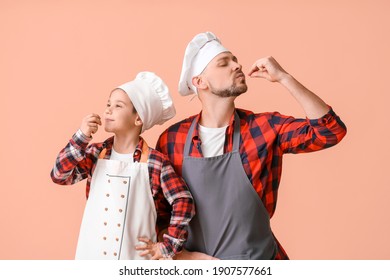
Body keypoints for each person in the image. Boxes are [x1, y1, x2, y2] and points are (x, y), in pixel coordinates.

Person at [155, 32, 347, 260]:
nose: (237, 65)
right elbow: (160, 214)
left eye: (235, 60)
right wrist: (187, 258)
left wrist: (285, 78)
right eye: (224, 63)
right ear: (199, 82)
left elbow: (330, 131)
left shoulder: (265, 128)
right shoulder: (172, 139)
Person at [50, 72, 195, 260]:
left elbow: (183, 200)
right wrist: (81, 137)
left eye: (118, 106)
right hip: (91, 256)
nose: (108, 110)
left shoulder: (155, 163)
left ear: (138, 119)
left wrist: (168, 246)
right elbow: (59, 175)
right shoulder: (95, 154)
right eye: (108, 104)